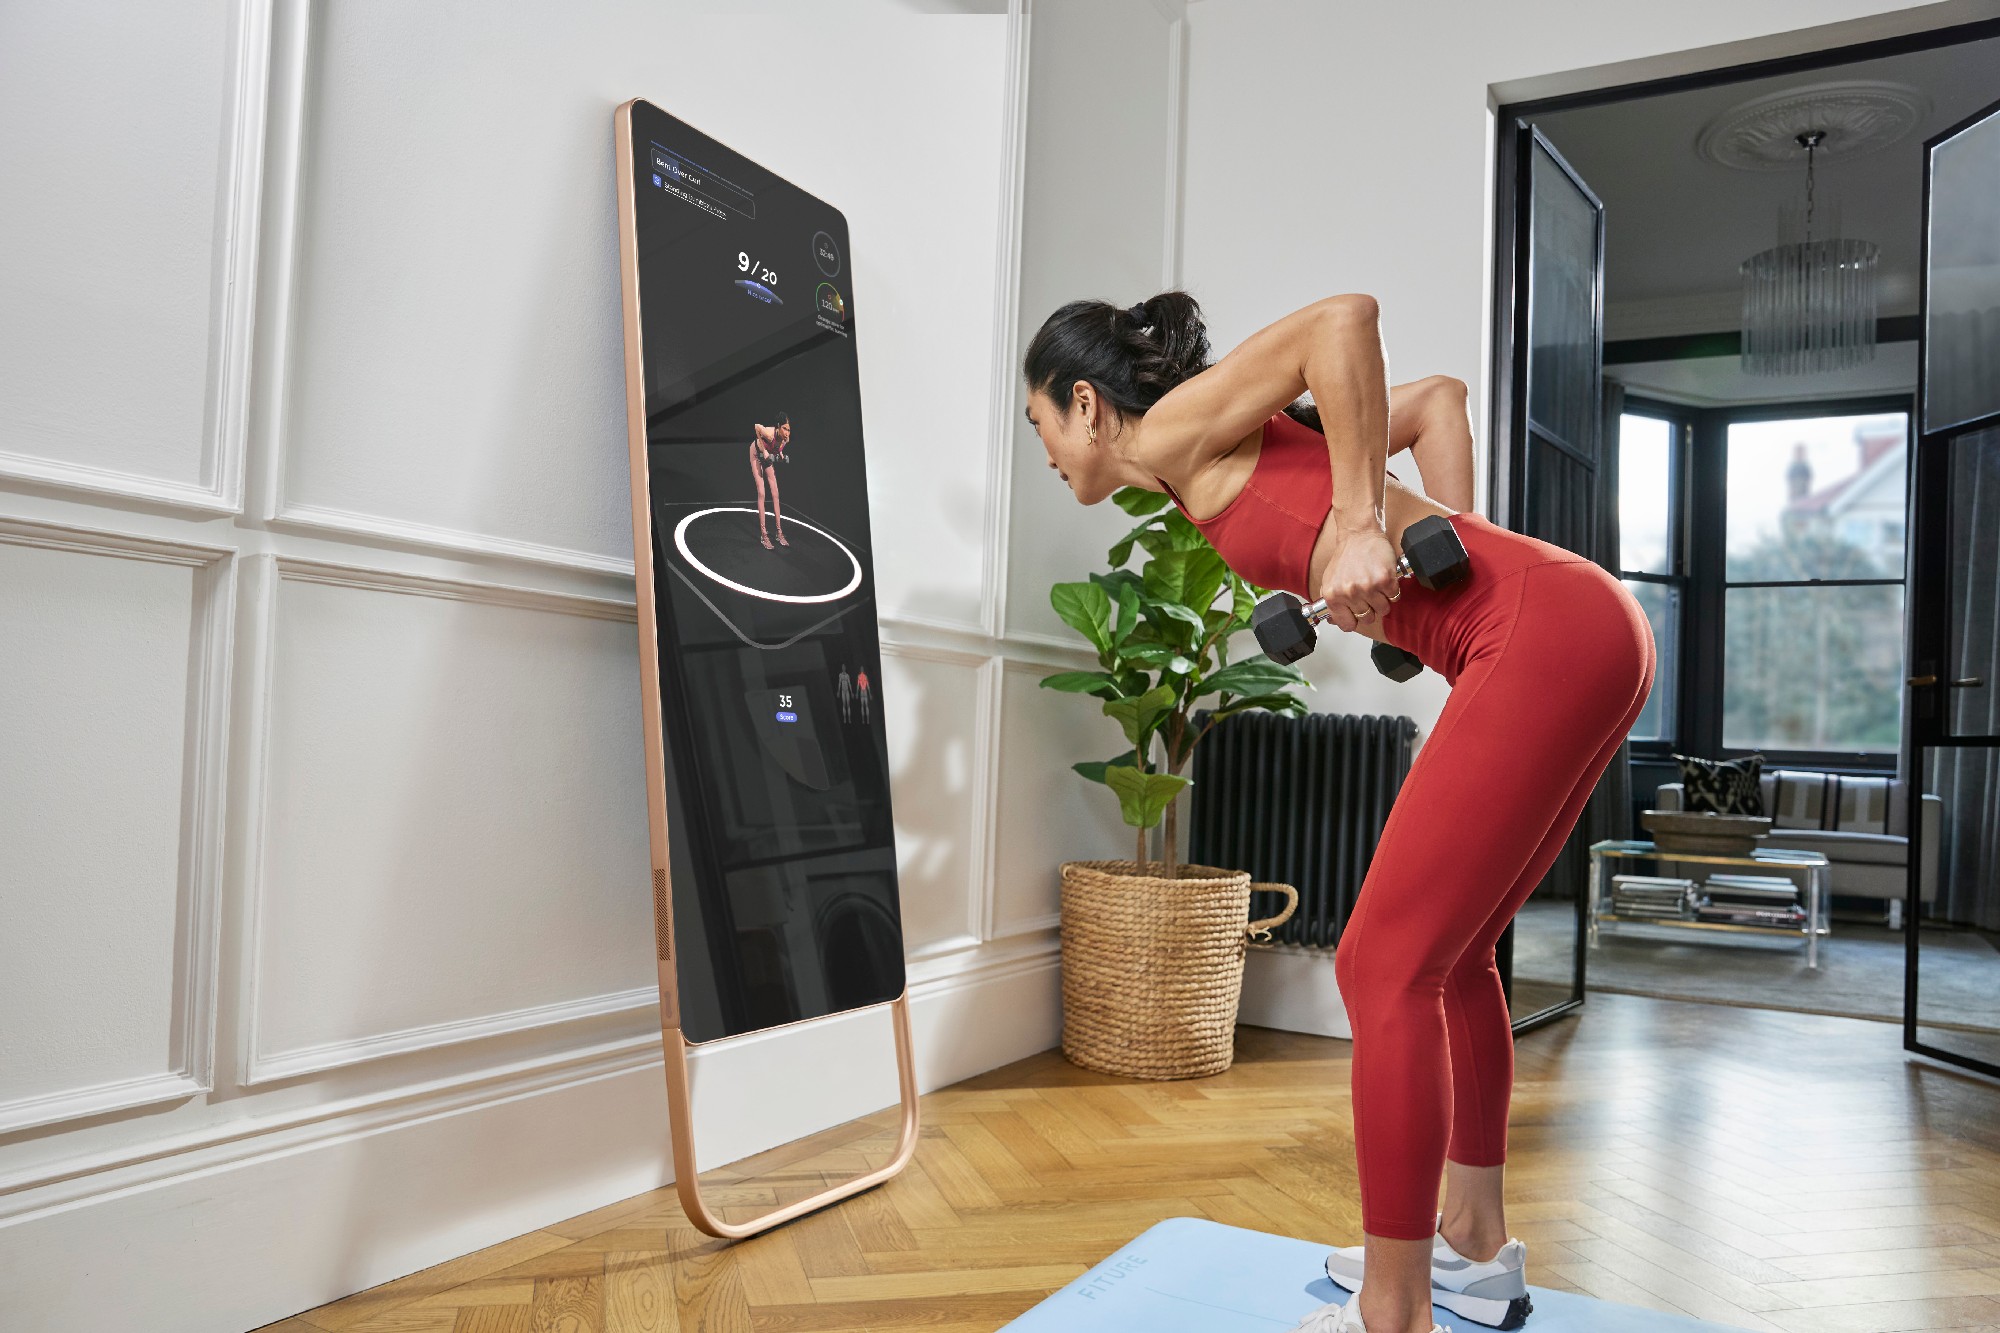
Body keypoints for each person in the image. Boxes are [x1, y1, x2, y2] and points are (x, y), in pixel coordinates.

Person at [1020, 292, 1655, 1333]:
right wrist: (1432, 545)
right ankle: (1469, 1247)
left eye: (1039, 422)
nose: (1044, 449)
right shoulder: (1247, 445)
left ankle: (1390, 1311)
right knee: (1453, 957)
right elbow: (1437, 401)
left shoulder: (1175, 425)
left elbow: (1342, 320)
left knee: (1378, 964)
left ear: (1085, 405)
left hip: (1542, 630)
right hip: (1581, 623)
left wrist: (1367, 522)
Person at [749, 413, 792, 549]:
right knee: (762, 493)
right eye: (784, 429)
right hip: (756, 454)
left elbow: (777, 448)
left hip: (766, 458)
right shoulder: (769, 433)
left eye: (789, 429)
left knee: (775, 493)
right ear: (778, 427)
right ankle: (764, 535)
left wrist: (779, 454)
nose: (787, 432)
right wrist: (764, 449)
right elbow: (756, 427)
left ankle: (779, 533)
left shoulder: (786, 439)